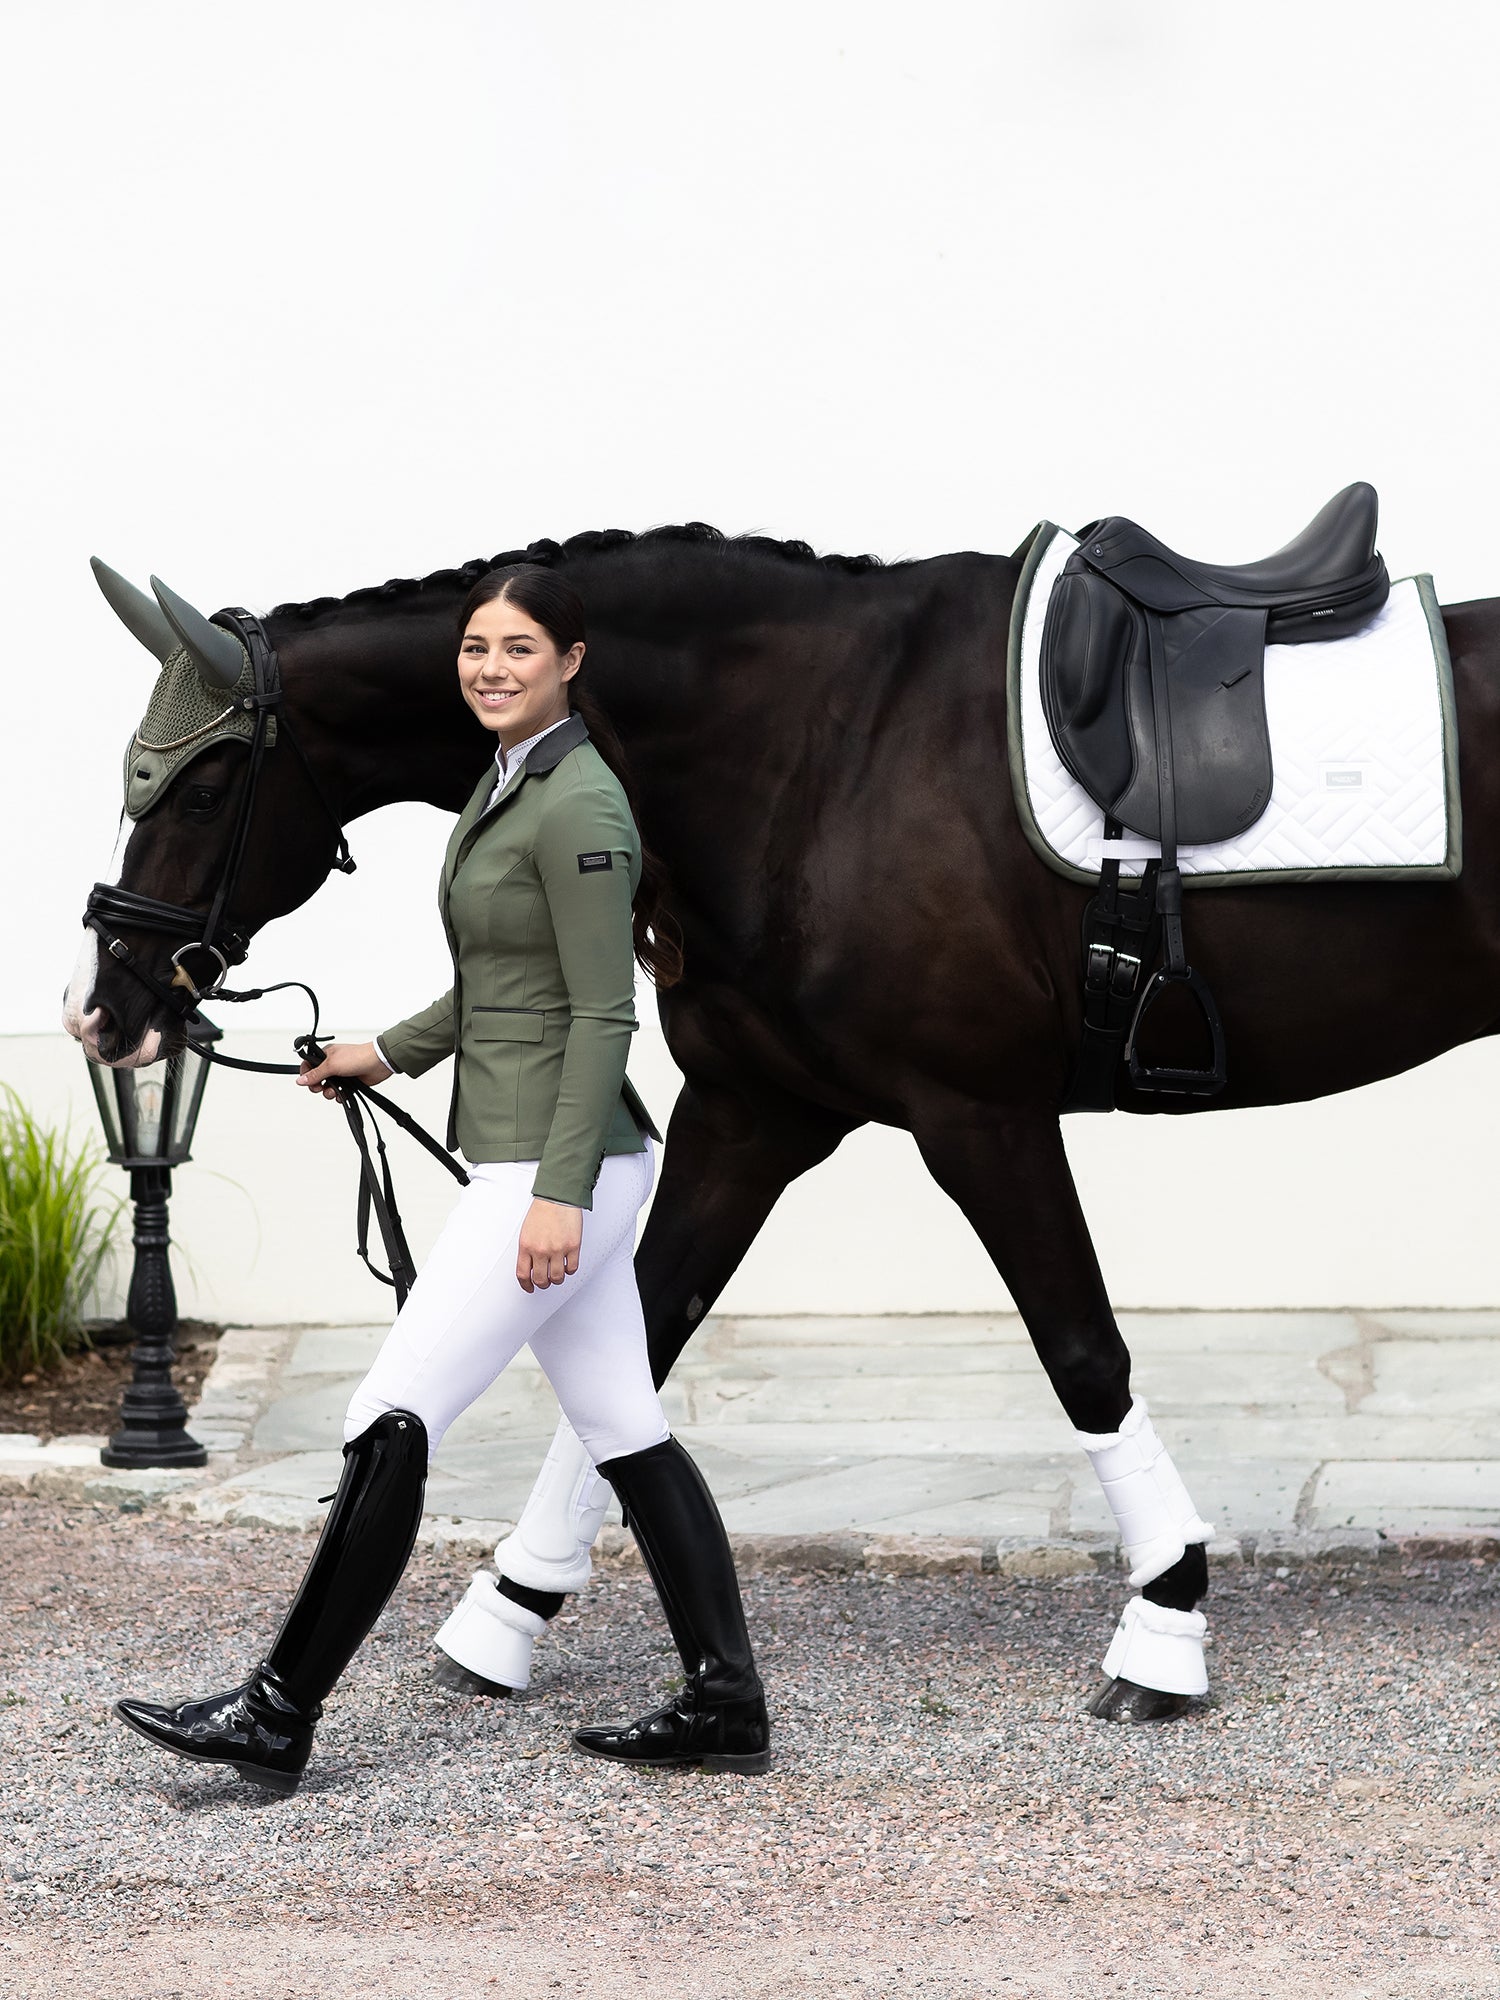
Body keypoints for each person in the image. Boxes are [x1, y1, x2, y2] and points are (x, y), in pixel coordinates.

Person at [114, 564, 770, 1795]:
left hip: (556, 1163)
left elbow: (596, 1011)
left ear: (571, 659)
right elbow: (498, 980)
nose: (490, 666)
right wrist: (386, 1048)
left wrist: (560, 1196)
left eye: (518, 647)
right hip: (544, 1152)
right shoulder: (507, 781)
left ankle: (278, 1708)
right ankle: (726, 1698)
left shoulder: (581, 804)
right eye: (476, 646)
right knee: (628, 1429)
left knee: (390, 1414)